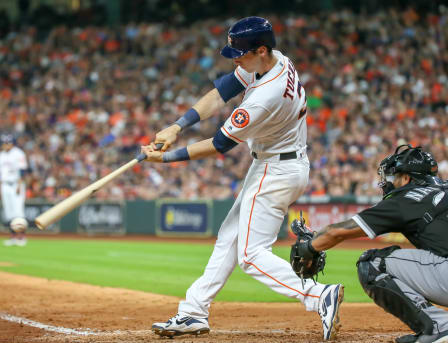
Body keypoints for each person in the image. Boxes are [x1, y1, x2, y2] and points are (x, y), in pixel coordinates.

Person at [142, 17, 344, 340]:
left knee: (250, 255)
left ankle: (318, 295)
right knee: (229, 237)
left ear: (261, 50)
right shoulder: (276, 60)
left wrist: (164, 157)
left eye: (240, 53)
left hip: (275, 170)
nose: (235, 59)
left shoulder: (266, 95)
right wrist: (176, 126)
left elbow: (219, 144)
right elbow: (222, 91)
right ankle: (194, 311)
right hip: (280, 163)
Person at [292, 144, 448, 343]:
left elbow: (338, 232)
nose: (388, 182)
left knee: (372, 264)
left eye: (394, 176)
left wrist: (310, 246)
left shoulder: (406, 199)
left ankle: (439, 328)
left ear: (407, 178)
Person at [0, 133, 29, 246]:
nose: (5, 145)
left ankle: (22, 237)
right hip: (5, 185)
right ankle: (13, 237)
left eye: (7, 143)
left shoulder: (18, 153)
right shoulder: (0, 155)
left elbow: (22, 172)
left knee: (18, 212)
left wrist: (19, 186)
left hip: (16, 184)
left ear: (12, 143)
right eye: (4, 143)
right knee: (9, 213)